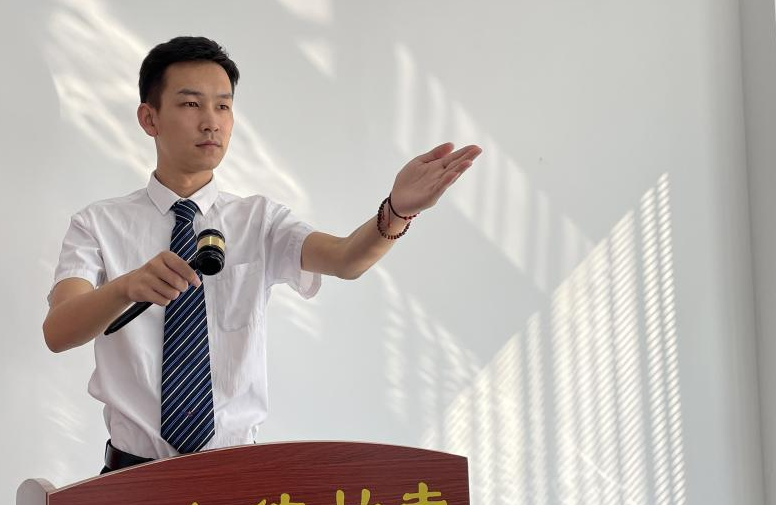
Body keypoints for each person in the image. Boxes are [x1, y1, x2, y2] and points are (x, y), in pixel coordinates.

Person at [44, 36, 480, 475]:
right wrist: (125, 288)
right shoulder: (98, 224)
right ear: (149, 118)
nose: (211, 122)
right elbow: (59, 331)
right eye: (191, 104)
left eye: (223, 106)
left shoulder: (260, 220)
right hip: (131, 480)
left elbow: (346, 258)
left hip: (241, 479)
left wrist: (398, 210)